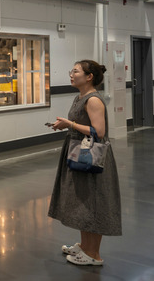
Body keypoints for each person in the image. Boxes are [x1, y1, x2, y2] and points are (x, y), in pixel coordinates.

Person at [48, 60, 122, 266]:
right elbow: (83, 125)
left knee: (94, 202)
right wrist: (66, 126)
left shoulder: (94, 100)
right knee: (83, 201)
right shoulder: (80, 97)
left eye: (76, 71)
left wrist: (69, 123)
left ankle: (94, 254)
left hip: (91, 156)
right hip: (78, 153)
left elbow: (99, 132)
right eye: (71, 71)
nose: (71, 75)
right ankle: (85, 246)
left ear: (89, 77)